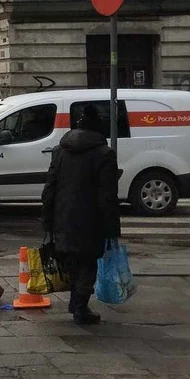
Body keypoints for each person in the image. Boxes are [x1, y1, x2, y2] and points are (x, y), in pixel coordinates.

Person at [41, 105, 121, 325]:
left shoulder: (60, 151)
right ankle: (79, 307)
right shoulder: (104, 154)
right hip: (91, 219)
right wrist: (112, 228)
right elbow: (108, 195)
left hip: (63, 216)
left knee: (72, 261)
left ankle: (76, 302)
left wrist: (47, 219)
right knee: (88, 263)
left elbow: (50, 187)